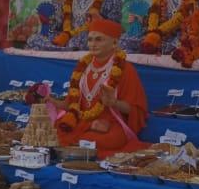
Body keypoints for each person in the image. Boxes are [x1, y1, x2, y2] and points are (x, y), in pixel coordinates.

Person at [53, 17, 147, 157]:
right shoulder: (83, 67)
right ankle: (82, 140)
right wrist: (50, 101)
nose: (92, 44)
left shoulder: (125, 69)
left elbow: (136, 110)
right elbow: (71, 103)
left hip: (110, 125)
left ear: (114, 43)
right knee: (57, 129)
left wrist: (114, 103)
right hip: (83, 122)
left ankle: (78, 145)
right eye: (90, 39)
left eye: (99, 39)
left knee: (108, 139)